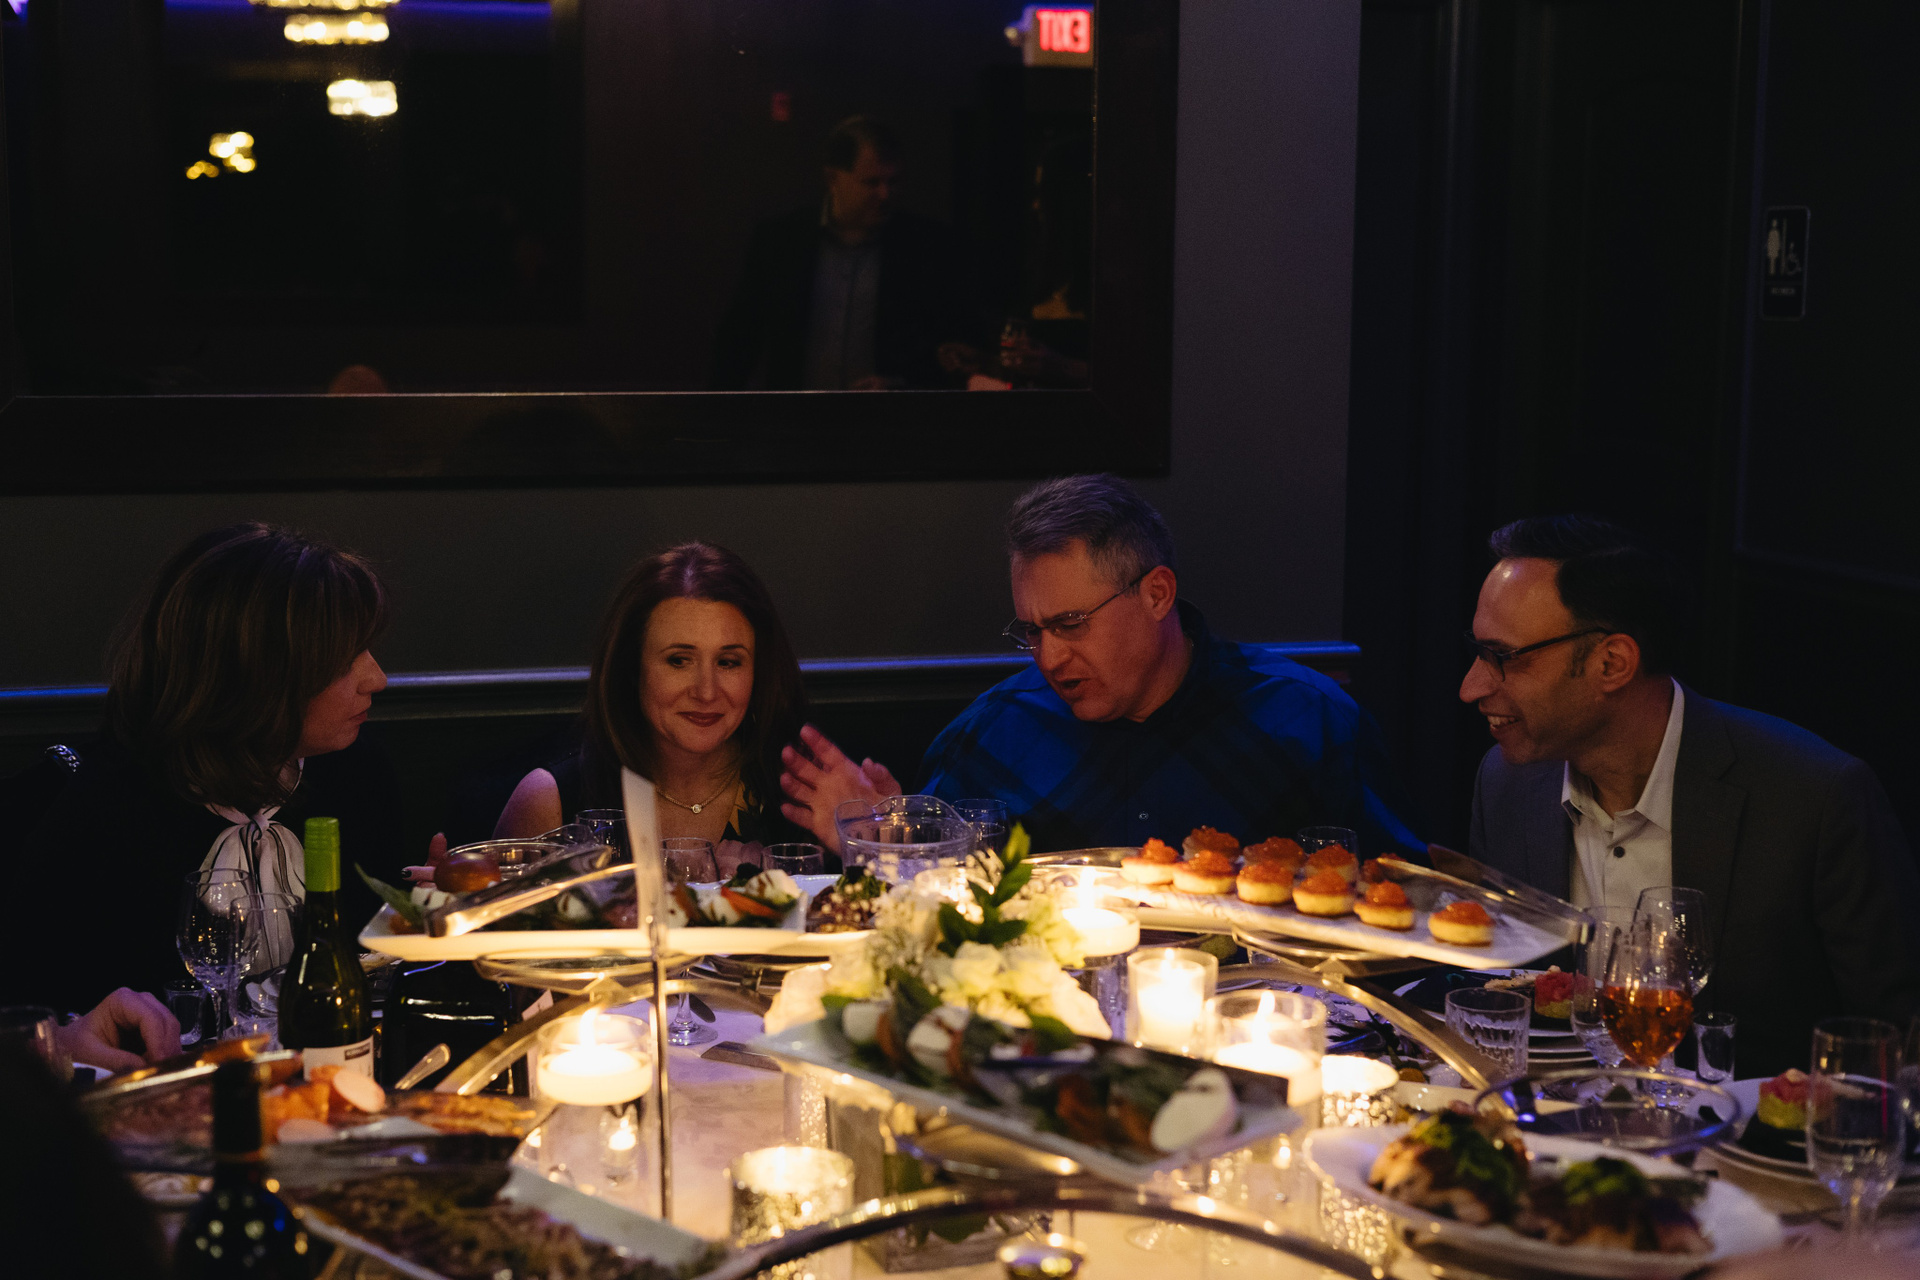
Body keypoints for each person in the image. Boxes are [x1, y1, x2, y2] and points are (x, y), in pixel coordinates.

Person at [1461, 515, 1920, 1076]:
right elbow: (1500, 993)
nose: (1471, 687)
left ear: (1612, 663)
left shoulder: (1813, 799)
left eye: (1504, 657)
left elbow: (1901, 1044)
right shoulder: (1508, 784)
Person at [780, 475, 1426, 857]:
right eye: (1032, 632)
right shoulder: (989, 737)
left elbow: (1397, 903)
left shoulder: (1306, 720)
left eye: (1070, 624)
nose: (1050, 657)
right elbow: (943, 928)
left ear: (1157, 594)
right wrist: (893, 848)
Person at [13, 523, 404, 1012]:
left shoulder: (356, 774)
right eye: (344, 659)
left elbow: (372, 967)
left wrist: (429, 917)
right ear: (254, 674)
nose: (377, 679)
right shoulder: (108, 810)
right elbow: (46, 1011)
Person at [495, 543, 815, 865]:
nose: (707, 692)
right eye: (679, 661)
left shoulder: (803, 791)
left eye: (728, 662)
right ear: (632, 668)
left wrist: (847, 834)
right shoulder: (549, 800)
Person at [712, 116, 982, 390]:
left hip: (887, 415)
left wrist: (901, 384)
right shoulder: (782, 241)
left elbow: (950, 349)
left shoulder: (925, 247)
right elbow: (740, 338)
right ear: (832, 178)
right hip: (796, 413)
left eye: (893, 181)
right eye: (871, 182)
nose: (885, 194)